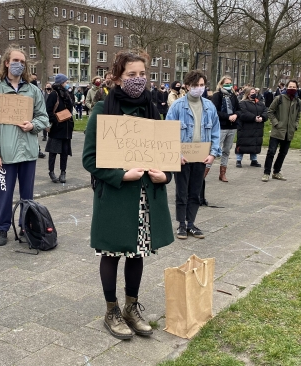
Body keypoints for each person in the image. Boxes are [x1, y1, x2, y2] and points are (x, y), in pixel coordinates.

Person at [82, 50, 174, 340]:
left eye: (142, 74)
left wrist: (165, 175)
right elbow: (89, 159)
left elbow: (165, 156)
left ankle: (131, 307)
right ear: (118, 78)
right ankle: (111, 310)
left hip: (146, 197)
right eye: (131, 75)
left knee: (137, 253)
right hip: (116, 196)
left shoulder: (153, 110)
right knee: (111, 253)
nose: (138, 80)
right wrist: (119, 175)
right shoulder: (102, 111)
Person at [0, 45, 49, 246]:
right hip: (5, 155)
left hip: (28, 153)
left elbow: (44, 117)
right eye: (15, 61)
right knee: (4, 193)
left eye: (22, 61)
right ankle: (2, 228)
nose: (19, 65)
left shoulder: (33, 90)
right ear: (6, 63)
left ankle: (26, 227)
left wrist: (33, 125)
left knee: (27, 195)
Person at [166, 70, 221, 240]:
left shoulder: (209, 106)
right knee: (182, 192)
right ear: (187, 86)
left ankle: (191, 223)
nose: (199, 88)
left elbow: (216, 131)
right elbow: (168, 132)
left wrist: (213, 154)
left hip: (201, 156)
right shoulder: (177, 106)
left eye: (202, 85)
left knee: (196, 192)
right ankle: (181, 224)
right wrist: (176, 153)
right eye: (195, 85)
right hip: (182, 157)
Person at [262, 80, 301, 182]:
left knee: (283, 153)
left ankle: (276, 172)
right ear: (286, 87)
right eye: (290, 86)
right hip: (278, 130)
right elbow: (270, 111)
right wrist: (276, 123)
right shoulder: (279, 98)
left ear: (297, 88)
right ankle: (266, 173)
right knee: (271, 152)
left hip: (289, 132)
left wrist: (295, 125)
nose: (292, 89)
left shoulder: (298, 101)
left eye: (294, 87)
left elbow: (298, 116)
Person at [209, 75, 241, 182]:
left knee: (226, 150)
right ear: (221, 84)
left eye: (230, 83)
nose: (228, 85)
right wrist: (227, 116)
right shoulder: (217, 96)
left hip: (232, 127)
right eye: (226, 83)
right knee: (214, 149)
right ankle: (204, 171)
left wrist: (236, 115)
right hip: (221, 126)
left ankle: (222, 173)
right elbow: (214, 111)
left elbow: (238, 109)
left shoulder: (233, 96)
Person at [45, 74, 74, 183]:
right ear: (61, 82)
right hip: (57, 128)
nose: (67, 84)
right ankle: (51, 171)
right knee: (53, 152)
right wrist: (57, 119)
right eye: (66, 82)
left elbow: (71, 109)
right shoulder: (54, 94)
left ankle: (63, 172)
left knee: (64, 152)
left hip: (67, 128)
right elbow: (47, 111)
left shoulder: (67, 94)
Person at [235, 87, 267, 168]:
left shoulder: (260, 103)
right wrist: (254, 118)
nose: (254, 94)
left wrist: (262, 117)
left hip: (257, 128)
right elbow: (243, 113)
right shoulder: (242, 103)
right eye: (252, 92)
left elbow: (265, 111)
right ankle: (238, 160)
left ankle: (254, 160)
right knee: (242, 144)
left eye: (254, 92)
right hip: (245, 128)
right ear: (247, 94)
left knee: (255, 144)